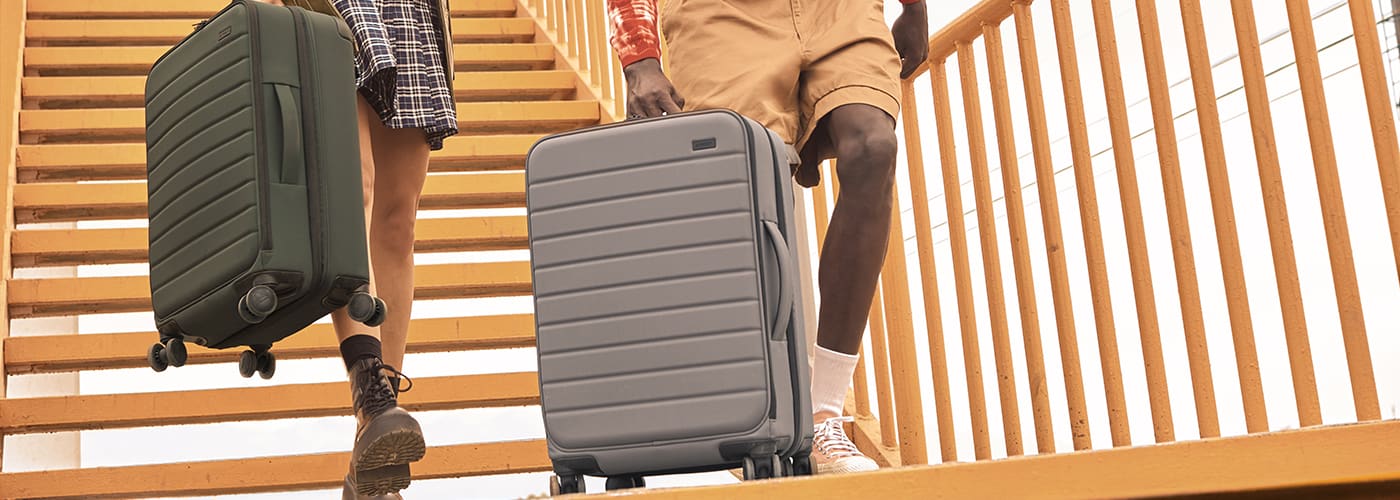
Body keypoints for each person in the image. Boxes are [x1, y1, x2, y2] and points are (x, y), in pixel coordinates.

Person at [606, 0, 928, 475]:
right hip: (718, 14)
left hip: (840, 9)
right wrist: (640, 57)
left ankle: (823, 413)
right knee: (740, 181)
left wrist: (915, 7)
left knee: (874, 146)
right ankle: (759, 406)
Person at [255, 0, 457, 498]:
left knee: (397, 224)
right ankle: (371, 396)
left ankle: (370, 445)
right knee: (353, 186)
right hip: (327, 8)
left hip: (407, 10)